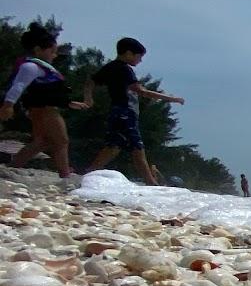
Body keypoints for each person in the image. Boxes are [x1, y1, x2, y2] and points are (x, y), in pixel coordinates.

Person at [84, 38, 184, 185]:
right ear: (129, 53)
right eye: (139, 56)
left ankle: (89, 172)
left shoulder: (110, 67)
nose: (140, 60)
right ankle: (150, 182)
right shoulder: (125, 69)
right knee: (136, 147)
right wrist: (170, 98)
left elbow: (90, 82)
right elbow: (141, 91)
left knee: (114, 146)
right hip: (126, 112)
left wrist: (88, 99)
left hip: (115, 111)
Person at [1, 23, 90, 178]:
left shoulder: (38, 67)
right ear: (38, 50)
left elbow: (49, 93)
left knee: (42, 141)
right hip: (46, 110)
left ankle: (14, 165)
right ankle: (65, 174)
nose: (54, 55)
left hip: (41, 108)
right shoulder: (31, 67)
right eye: (52, 51)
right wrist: (8, 105)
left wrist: (69, 103)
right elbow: (18, 86)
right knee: (62, 141)